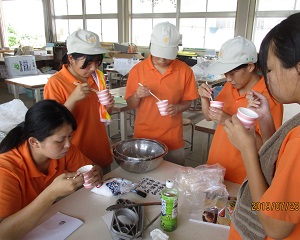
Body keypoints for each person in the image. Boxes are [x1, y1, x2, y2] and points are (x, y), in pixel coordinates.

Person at [224, 12, 300, 239]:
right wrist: (266, 121)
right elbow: (284, 165)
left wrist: (247, 148)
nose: (267, 78)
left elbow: (274, 223)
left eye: (269, 70)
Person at [0, 99, 103, 239]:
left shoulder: (65, 151)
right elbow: (3, 234)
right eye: (60, 140)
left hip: (51, 222)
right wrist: (51, 194)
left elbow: (94, 168)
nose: (68, 144)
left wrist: (96, 172)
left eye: (70, 136)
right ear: (34, 142)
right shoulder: (5, 170)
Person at [198, 36, 283, 184]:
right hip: (216, 168)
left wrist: (228, 120)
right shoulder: (230, 86)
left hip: (242, 176)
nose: (228, 79)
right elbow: (208, 116)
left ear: (250, 67)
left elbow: (267, 148)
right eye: (225, 74)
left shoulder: (268, 99)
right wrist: (204, 98)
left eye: (232, 73)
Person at [125, 22, 199, 165]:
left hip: (173, 138)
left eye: (167, 56)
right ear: (151, 46)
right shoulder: (137, 70)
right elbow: (130, 104)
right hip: (144, 138)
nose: (162, 60)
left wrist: (177, 108)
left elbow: (188, 101)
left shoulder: (185, 71)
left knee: (173, 178)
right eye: (159, 55)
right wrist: (136, 96)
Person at [44, 29, 114, 172]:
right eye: (87, 63)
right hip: (75, 156)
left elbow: (102, 116)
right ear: (71, 59)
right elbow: (51, 125)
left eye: (97, 62)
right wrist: (73, 99)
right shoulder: (56, 83)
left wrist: (108, 106)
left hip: (100, 149)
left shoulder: (97, 77)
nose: (93, 68)